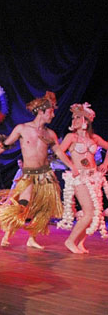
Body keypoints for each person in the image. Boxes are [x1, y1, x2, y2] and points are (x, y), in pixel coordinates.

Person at [0, 91, 78, 249]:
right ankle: (8, 234)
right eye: (51, 111)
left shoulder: (49, 134)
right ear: (42, 111)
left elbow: (59, 153)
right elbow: (3, 146)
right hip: (29, 175)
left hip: (46, 176)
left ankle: (32, 238)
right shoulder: (22, 129)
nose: (53, 115)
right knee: (23, 205)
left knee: (43, 209)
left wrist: (72, 166)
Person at [56, 103, 108, 253]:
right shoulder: (71, 137)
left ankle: (80, 243)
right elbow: (59, 152)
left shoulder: (94, 138)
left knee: (93, 214)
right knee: (89, 211)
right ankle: (70, 241)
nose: (74, 120)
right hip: (79, 177)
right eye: (73, 117)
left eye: (78, 117)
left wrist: (105, 163)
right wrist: (71, 166)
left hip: (93, 177)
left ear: (86, 120)